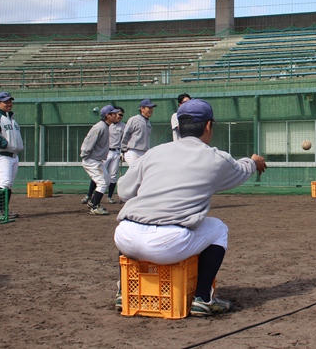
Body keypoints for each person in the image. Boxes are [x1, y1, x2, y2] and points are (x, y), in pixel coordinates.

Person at [114, 99, 267, 316]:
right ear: (207, 126)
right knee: (218, 228)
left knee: (131, 220)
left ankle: (124, 292)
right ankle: (203, 298)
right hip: (168, 244)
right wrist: (254, 162)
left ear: (178, 126)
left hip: (126, 238)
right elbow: (240, 170)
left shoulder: (154, 153)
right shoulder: (215, 158)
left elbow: (124, 192)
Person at [80, 107, 125, 205]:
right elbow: (88, 142)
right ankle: (94, 205)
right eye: (114, 114)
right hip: (92, 159)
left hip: (100, 157)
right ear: (107, 116)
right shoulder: (100, 127)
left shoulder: (106, 126)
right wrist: (85, 155)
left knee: (107, 180)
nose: (116, 115)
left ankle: (93, 203)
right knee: (102, 182)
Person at [0, 92, 23, 219]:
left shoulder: (12, 119)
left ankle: (4, 210)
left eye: (10, 101)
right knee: (4, 182)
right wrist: (5, 144)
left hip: (13, 156)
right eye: (5, 102)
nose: (9, 104)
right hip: (2, 156)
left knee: (8, 184)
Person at [121, 99, 155, 165]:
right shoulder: (134, 119)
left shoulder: (148, 122)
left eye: (152, 108)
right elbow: (126, 134)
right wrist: (123, 149)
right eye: (149, 108)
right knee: (135, 172)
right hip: (133, 151)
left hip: (144, 152)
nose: (151, 110)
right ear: (142, 109)